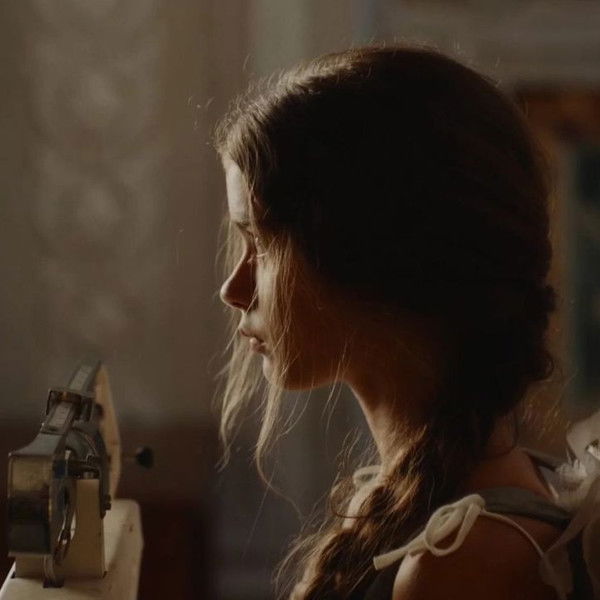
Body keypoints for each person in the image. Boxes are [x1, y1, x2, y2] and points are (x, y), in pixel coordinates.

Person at [215, 45, 571, 599]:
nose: (233, 290)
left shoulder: (463, 565)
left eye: (260, 244)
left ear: (367, 259)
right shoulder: (404, 505)